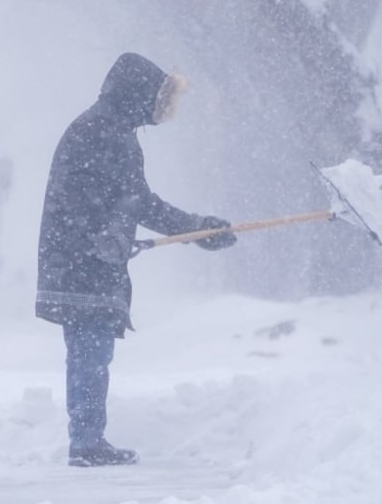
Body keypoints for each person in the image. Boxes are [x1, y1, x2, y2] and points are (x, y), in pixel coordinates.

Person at [35, 52, 237, 467]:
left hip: (80, 257)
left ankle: (87, 439)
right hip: (84, 262)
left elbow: (120, 201)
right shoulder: (106, 131)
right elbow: (137, 201)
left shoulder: (104, 126)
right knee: (91, 352)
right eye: (160, 97)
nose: (163, 108)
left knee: (89, 351)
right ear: (137, 94)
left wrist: (186, 230)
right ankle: (86, 443)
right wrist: (195, 228)